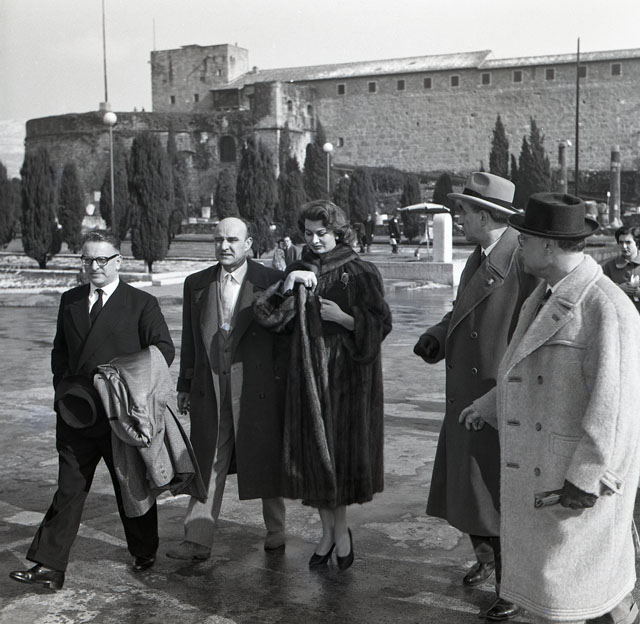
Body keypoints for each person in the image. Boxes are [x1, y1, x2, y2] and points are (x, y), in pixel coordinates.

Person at [461, 193, 640, 624]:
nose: (518, 246)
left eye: (525, 239)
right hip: (548, 471)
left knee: (583, 595)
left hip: (572, 481)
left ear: (548, 245)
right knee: (575, 593)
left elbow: (617, 409)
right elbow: (526, 369)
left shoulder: (605, 308)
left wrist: (586, 480)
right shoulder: (544, 294)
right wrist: (489, 405)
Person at [9, 230, 175, 590]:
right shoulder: (69, 300)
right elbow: (60, 352)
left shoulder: (141, 303)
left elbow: (163, 350)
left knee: (131, 486)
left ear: (118, 261)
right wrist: (62, 389)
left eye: (102, 259)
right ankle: (50, 565)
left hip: (122, 416)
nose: (94, 266)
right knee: (69, 489)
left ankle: (144, 549)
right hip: (76, 414)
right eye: (87, 259)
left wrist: (124, 382)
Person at [413, 172, 538, 621]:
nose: (458, 217)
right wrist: (437, 334)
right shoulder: (480, 255)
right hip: (467, 394)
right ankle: (486, 559)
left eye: (464, 211)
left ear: (486, 216)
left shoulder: (522, 258)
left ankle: (512, 586)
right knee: (468, 488)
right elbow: (461, 310)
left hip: (496, 398)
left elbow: (535, 329)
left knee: (495, 495)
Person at [254, 200, 392, 570]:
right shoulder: (300, 269)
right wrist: (288, 285)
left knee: (339, 462)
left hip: (349, 382)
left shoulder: (361, 271)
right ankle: (329, 532)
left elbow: (382, 324)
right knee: (315, 460)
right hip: (306, 380)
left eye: (322, 233)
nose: (315, 240)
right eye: (309, 233)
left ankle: (338, 532)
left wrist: (346, 319)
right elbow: (267, 317)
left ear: (338, 232)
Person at [166, 217, 287, 561]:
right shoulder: (197, 283)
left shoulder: (272, 281)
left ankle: (276, 529)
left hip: (257, 387)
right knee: (208, 459)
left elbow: (283, 338)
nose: (224, 246)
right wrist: (185, 383)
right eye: (218, 239)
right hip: (212, 386)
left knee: (264, 456)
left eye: (232, 240)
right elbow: (191, 338)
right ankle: (197, 539)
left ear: (249, 244)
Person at [601, 225, 640, 311]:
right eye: (621, 242)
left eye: (628, 242)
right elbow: (600, 292)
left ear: (637, 243)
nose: (624, 246)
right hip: (620, 314)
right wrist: (618, 289)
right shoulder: (609, 266)